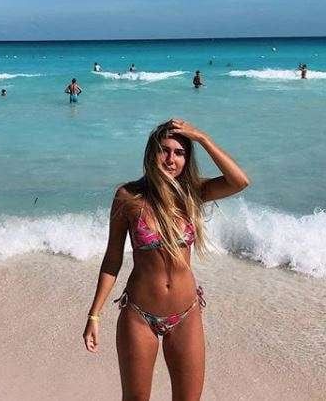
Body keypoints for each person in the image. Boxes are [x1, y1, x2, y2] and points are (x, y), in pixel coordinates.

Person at [83, 119, 250, 400]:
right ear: (151, 153)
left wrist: (202, 138)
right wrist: (94, 314)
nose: (171, 159)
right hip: (139, 315)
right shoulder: (128, 197)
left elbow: (239, 181)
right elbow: (112, 258)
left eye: (180, 153)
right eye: (164, 150)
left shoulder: (192, 193)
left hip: (186, 314)